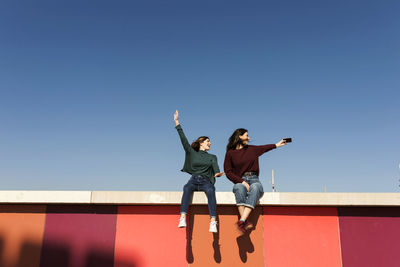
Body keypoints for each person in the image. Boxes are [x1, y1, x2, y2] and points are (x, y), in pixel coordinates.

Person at [224, 128, 287, 233]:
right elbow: (228, 172)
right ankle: (244, 221)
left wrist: (277, 144)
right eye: (246, 135)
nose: (249, 138)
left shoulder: (252, 149)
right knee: (238, 188)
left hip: (254, 179)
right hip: (240, 180)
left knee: (256, 187)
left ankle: (242, 221)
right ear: (240, 136)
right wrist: (242, 182)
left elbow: (265, 148)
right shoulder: (230, 153)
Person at [174, 110, 224, 233]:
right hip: (193, 180)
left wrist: (217, 174)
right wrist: (177, 122)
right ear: (201, 143)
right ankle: (182, 217)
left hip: (206, 181)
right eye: (208, 141)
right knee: (186, 188)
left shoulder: (213, 156)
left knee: (211, 191)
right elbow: (184, 140)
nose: (210, 143)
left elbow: (216, 169)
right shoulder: (192, 152)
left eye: (210, 142)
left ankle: (213, 221)